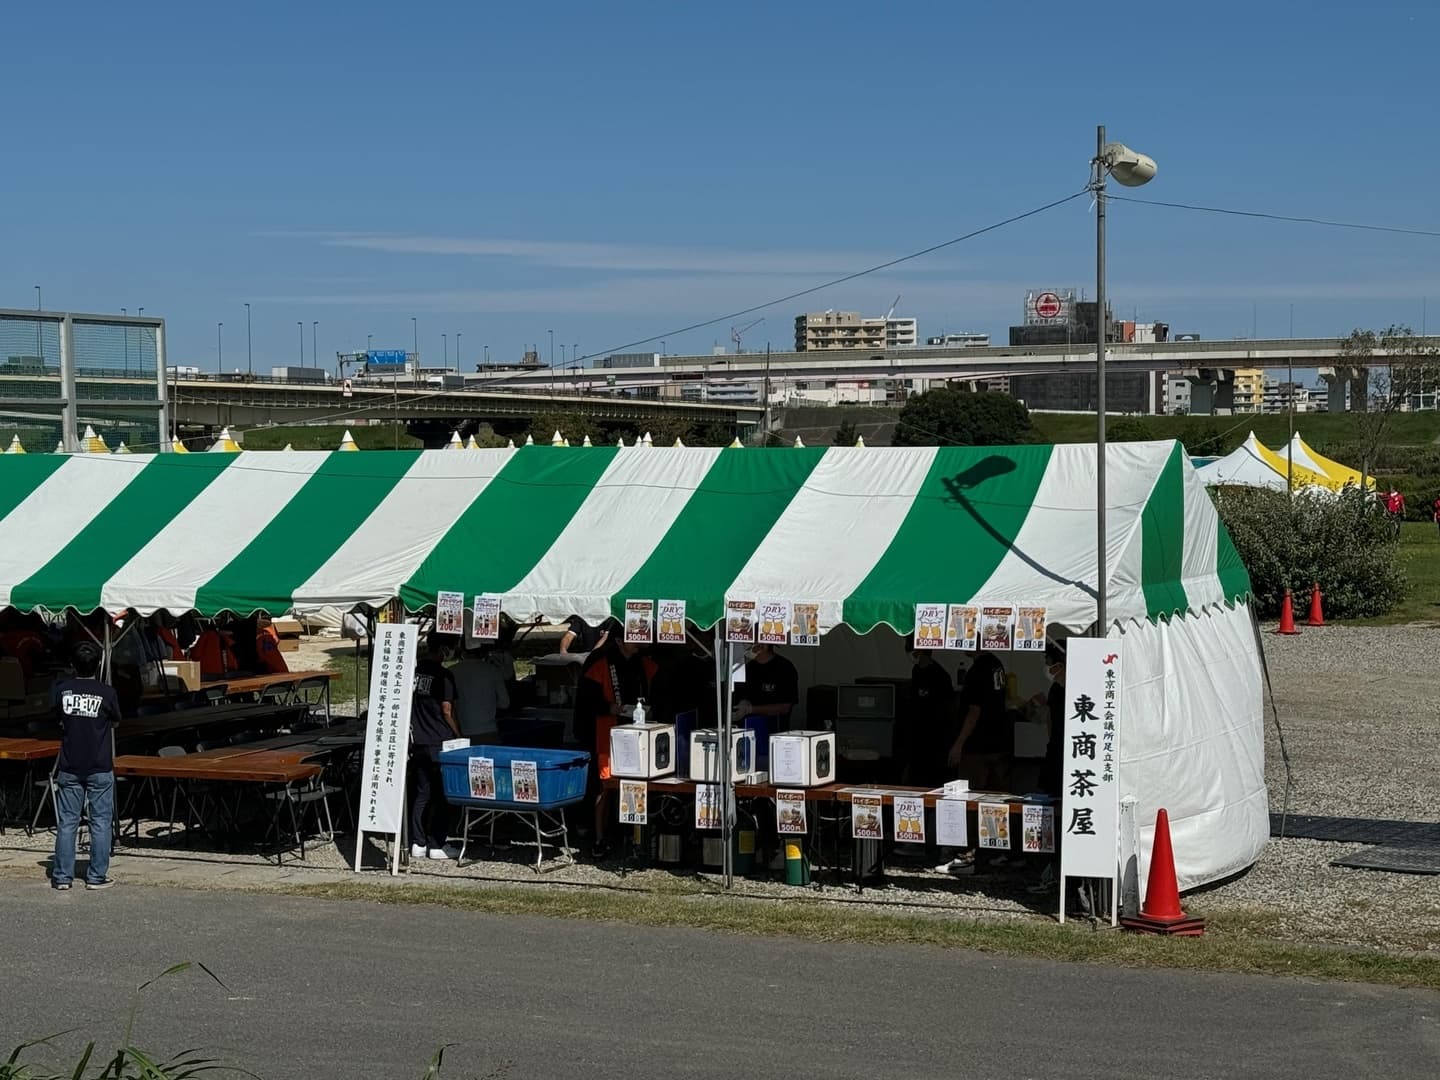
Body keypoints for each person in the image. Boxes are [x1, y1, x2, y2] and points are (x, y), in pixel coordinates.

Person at [573, 634, 658, 854]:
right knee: (604, 785)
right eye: (633, 637)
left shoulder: (645, 663)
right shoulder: (600, 662)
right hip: (606, 734)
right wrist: (608, 707)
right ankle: (599, 838)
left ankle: (633, 837)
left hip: (639, 733)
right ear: (619, 640)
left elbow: (657, 693)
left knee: (636, 783)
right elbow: (586, 701)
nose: (640, 641)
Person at [50, 641, 121, 891]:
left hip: (70, 763)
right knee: (100, 821)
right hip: (99, 764)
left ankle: (62, 876)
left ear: (72, 664)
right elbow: (115, 721)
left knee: (67, 822)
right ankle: (96, 876)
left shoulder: (62, 691)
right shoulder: (107, 692)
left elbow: (57, 719)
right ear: (99, 664)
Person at [408, 636, 461, 861]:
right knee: (442, 795)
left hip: (418, 740)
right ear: (442, 648)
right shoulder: (444, 675)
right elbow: (447, 709)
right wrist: (458, 733)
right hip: (440, 741)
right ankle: (437, 843)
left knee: (422, 793)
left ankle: (417, 842)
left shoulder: (413, 672)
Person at [901, 636, 955, 789]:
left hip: (935, 743)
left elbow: (947, 712)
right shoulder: (916, 671)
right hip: (917, 741)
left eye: (911, 648)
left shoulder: (940, 676)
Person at [732, 642, 799, 730]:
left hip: (774, 730)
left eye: (750, 644)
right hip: (748, 727)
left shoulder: (784, 668)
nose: (746, 647)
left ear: (763, 646)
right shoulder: (747, 668)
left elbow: (785, 707)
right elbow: (738, 697)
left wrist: (750, 709)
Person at [451, 644, 510, 741]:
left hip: (460, 731)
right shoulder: (493, 670)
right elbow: (504, 703)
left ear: (462, 652)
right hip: (488, 730)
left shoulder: (451, 671)